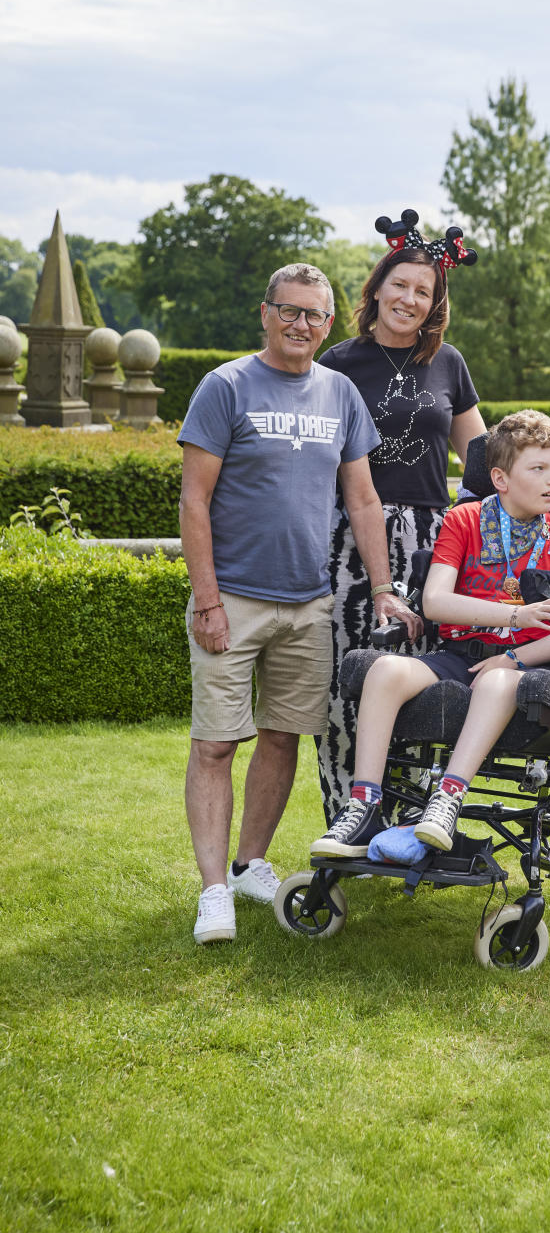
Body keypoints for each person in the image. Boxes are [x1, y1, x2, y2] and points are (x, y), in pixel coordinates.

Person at [315, 208, 550, 824]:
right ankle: (349, 812)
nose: (409, 300)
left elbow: (486, 457)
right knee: (343, 685)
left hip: (429, 535)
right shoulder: (336, 365)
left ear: (435, 303)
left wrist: (548, 434)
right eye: (400, 285)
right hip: (348, 539)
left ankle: (412, 817)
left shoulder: (448, 363)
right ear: (378, 287)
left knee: (420, 678)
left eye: (424, 292)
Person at [178, 262, 415, 945]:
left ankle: (250, 862)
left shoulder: (340, 394)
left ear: (330, 323)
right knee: (218, 743)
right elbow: (194, 499)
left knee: (282, 736)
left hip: (308, 603)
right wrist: (207, 600)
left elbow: (362, 498)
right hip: (234, 600)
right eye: (290, 311)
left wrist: (380, 587)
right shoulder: (224, 387)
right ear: (266, 312)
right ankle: (213, 891)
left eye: (314, 315)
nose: (301, 324)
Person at [310, 410, 550, 858]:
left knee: (495, 678)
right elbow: (435, 603)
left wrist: (515, 657)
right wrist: (516, 616)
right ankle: (365, 805)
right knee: (386, 669)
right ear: (500, 478)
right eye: (539, 468)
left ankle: (446, 800)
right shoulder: (464, 520)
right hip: (459, 654)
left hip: (526, 666)